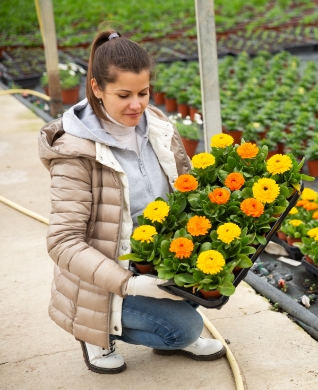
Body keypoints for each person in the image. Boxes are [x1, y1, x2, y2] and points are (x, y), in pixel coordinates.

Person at [38, 30, 225, 375]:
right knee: (185, 329)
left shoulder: (158, 126)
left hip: (155, 256)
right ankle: (95, 333)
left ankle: (161, 321)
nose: (137, 105)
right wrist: (132, 284)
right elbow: (63, 242)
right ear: (96, 88)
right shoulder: (76, 155)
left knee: (219, 277)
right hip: (105, 278)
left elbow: (184, 189)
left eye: (143, 92)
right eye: (123, 95)